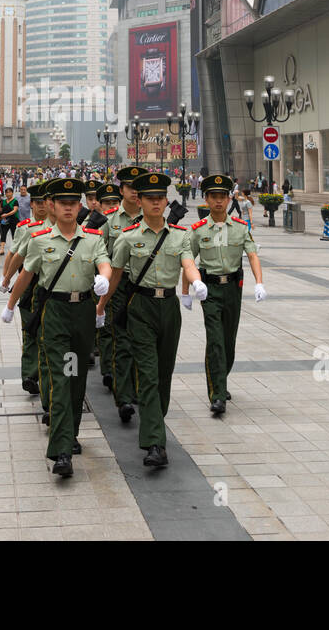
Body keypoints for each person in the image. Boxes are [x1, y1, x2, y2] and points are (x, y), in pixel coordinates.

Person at [2, 178, 111, 478]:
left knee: (76, 376)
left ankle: (70, 432)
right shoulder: (41, 239)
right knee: (61, 377)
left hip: (83, 313)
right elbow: (27, 273)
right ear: (53, 206)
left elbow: (105, 263)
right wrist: (11, 304)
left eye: (72, 203)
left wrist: (103, 278)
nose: (67, 208)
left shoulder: (92, 238)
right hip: (56, 314)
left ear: (79, 206)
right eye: (62, 203)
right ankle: (61, 450)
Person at [97, 172, 205, 468]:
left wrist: (195, 283)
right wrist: (101, 307)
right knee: (147, 372)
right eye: (150, 198)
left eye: (160, 198)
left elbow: (188, 263)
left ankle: (155, 416)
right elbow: (116, 275)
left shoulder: (180, 236)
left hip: (168, 307)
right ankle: (155, 443)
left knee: (163, 374)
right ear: (140, 201)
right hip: (140, 307)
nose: (156, 203)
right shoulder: (127, 237)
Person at [182, 175, 265, 415]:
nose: (218, 201)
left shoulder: (240, 228)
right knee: (216, 341)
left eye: (222, 197)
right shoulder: (198, 231)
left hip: (233, 289)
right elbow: (188, 261)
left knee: (229, 341)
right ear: (206, 199)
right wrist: (186, 291)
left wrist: (259, 283)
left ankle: (221, 379)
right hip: (209, 289)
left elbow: (252, 255)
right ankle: (217, 394)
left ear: (229, 199)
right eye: (213, 197)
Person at [102, 166, 146, 422]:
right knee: (122, 342)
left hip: (144, 288)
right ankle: (124, 397)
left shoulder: (153, 217)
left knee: (142, 342)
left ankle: (138, 388)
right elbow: (101, 253)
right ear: (122, 190)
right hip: (120, 286)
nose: (135, 192)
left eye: (139, 188)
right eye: (130, 187)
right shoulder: (109, 221)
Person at [1, 181, 49, 400]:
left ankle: (47, 374)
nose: (41, 207)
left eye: (44, 202)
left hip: (51, 284)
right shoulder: (25, 228)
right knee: (30, 330)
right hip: (30, 284)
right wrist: (6, 278)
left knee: (48, 334)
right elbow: (14, 255)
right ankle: (30, 375)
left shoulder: (62, 226)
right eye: (37, 203)